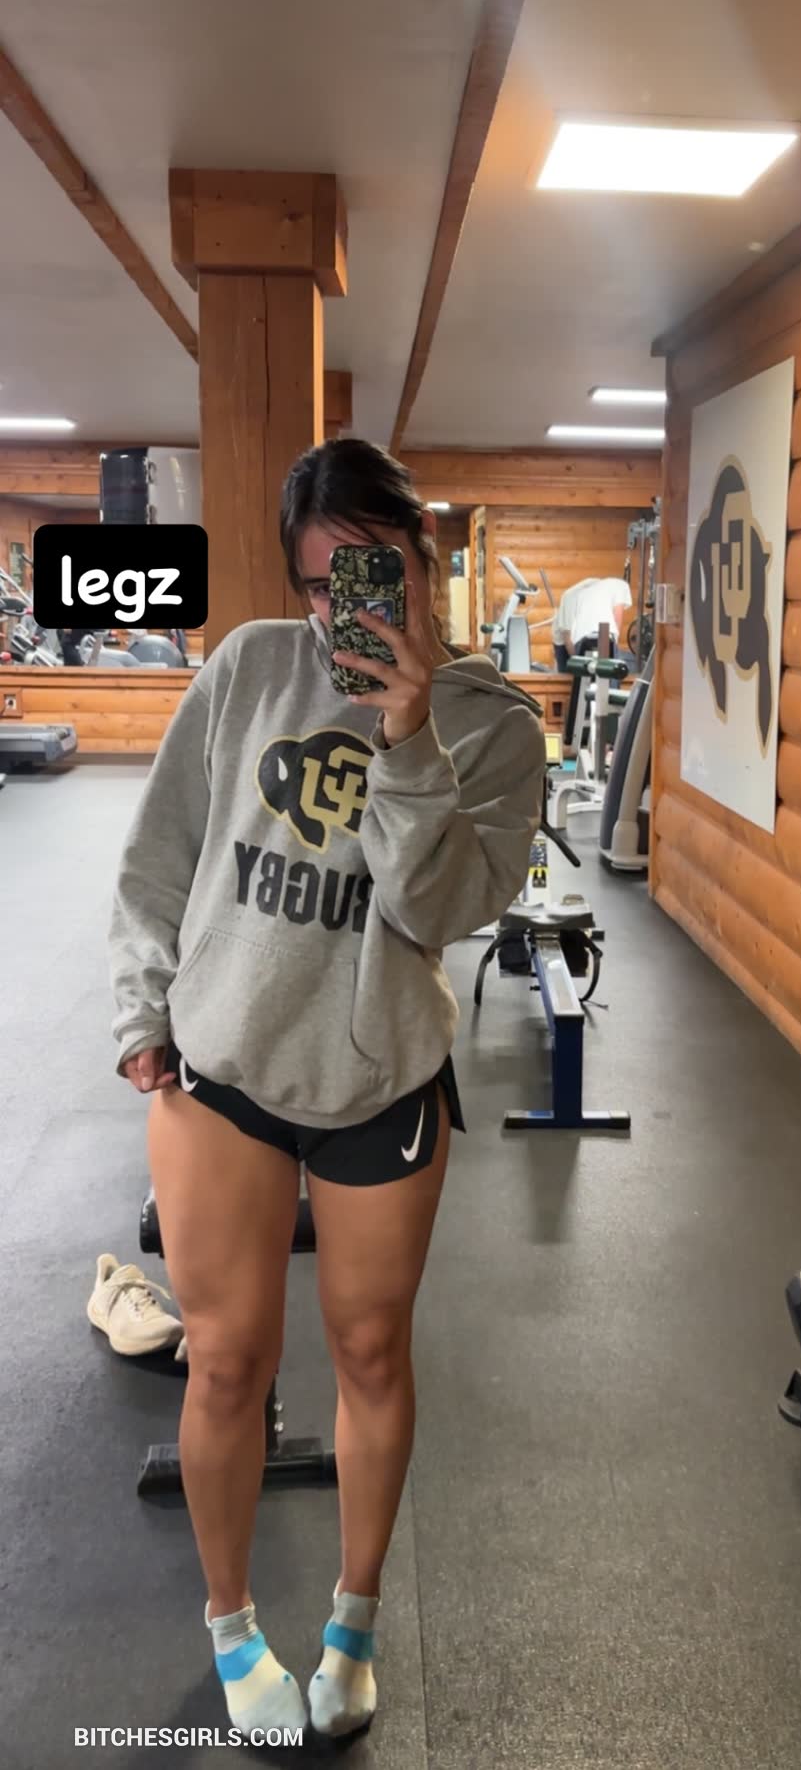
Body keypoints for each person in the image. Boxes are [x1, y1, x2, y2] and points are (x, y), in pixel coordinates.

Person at [108, 439, 544, 1741]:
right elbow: (157, 856)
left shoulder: (495, 724)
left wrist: (406, 731)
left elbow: (439, 908)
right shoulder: (249, 667)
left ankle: (353, 1622)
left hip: (378, 1076)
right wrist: (141, 1011)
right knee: (226, 1361)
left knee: (368, 1350)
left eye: (372, 568)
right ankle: (231, 1622)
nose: (343, 604)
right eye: (318, 582)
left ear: (422, 555)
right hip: (225, 1067)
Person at [551, 573, 632, 673]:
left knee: (590, 671)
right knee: (571, 675)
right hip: (565, 640)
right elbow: (567, 638)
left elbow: (615, 624)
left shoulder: (601, 592)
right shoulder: (620, 586)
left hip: (586, 635)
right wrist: (579, 664)